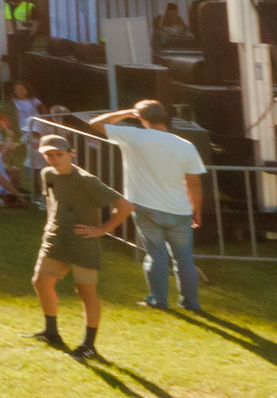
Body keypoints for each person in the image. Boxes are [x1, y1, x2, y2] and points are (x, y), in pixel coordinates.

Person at [87, 101, 207, 313]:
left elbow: (95, 123)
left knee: (156, 255)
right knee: (184, 258)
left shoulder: (133, 136)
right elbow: (194, 183)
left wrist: (126, 113)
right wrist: (196, 209)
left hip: (145, 206)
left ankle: (158, 299)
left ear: (142, 118)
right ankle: (191, 302)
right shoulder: (186, 145)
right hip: (179, 208)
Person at [28, 135, 127, 359]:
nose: (54, 159)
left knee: (85, 291)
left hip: (83, 243)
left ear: (71, 154)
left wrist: (102, 230)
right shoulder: (47, 174)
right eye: (48, 155)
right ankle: (51, 332)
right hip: (55, 239)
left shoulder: (86, 180)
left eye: (58, 154)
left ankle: (89, 345)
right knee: (41, 282)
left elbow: (124, 206)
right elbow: (52, 200)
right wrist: (49, 223)